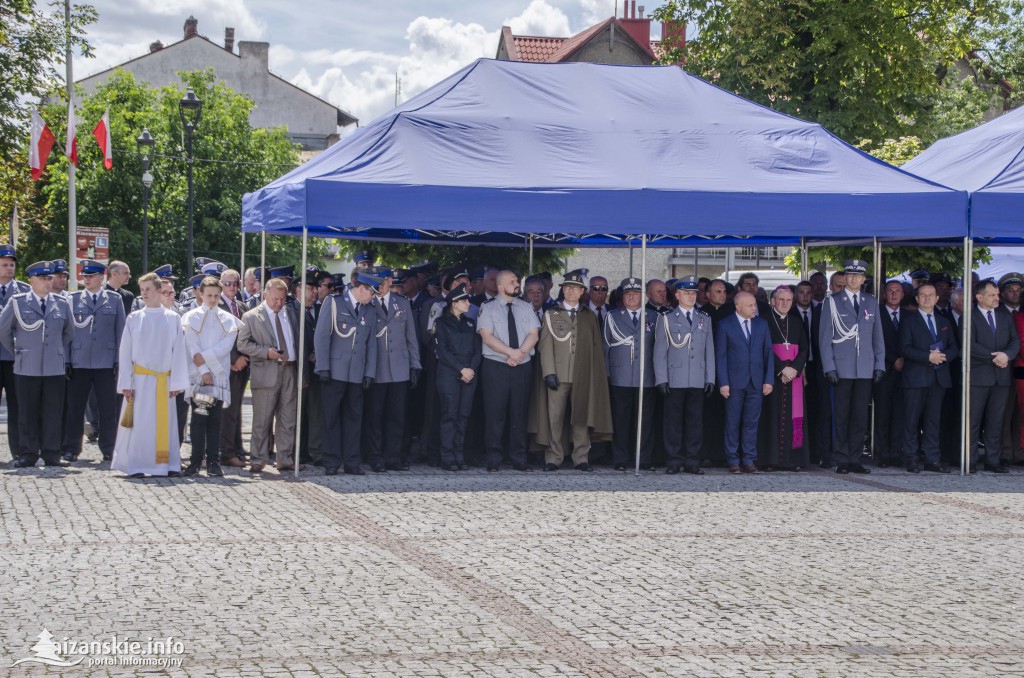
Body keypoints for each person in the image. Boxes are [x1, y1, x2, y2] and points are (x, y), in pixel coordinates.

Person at [532, 270, 612, 472]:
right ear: (563, 291)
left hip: (582, 373)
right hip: (558, 373)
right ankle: (554, 457)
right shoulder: (552, 314)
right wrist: (549, 372)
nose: (571, 291)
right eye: (567, 288)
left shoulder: (589, 316)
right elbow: (545, 345)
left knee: (581, 417)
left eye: (575, 288)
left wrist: (594, 375)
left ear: (582, 291)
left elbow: (595, 347)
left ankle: (581, 457)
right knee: (555, 417)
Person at [110, 272, 189, 477]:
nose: (144, 293)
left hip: (164, 380)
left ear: (158, 291)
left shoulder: (172, 318)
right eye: (142, 289)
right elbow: (125, 352)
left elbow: (179, 351)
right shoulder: (134, 318)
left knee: (165, 424)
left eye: (148, 289)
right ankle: (137, 465)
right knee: (140, 424)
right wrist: (126, 382)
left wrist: (177, 383)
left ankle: (167, 465)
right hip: (141, 380)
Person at [0, 261, 73, 468]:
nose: (47, 282)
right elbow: (3, 331)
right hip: (26, 366)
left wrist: (53, 351)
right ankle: (28, 453)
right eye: (42, 278)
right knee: (27, 412)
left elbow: (69, 333)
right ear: (30, 280)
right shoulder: (17, 302)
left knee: (52, 412)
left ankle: (52, 453)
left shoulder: (62, 303)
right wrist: (18, 351)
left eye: (49, 278)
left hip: (53, 367)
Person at [819, 259, 885, 475]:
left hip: (865, 368)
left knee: (860, 416)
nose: (854, 278)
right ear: (844, 278)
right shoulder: (832, 302)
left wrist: (879, 364)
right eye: (850, 275)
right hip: (842, 368)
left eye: (858, 275)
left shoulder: (871, 301)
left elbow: (878, 337)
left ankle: (855, 458)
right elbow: (825, 338)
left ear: (864, 279)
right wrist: (829, 367)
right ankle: (841, 458)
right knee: (841, 416)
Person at [61, 260, 126, 463]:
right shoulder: (72, 300)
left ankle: (108, 448)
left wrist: (119, 361)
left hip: (106, 362)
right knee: (75, 409)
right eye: (85, 276)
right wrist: (66, 360)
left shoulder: (114, 300)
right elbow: (66, 333)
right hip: (79, 362)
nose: (86, 279)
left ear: (101, 277)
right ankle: (71, 448)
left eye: (90, 276)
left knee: (108, 410)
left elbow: (120, 333)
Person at [477, 270, 540, 472]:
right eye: (512, 281)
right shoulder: (487, 308)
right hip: (496, 366)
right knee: (495, 414)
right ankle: (494, 457)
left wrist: (520, 353)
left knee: (519, 413)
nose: (517, 283)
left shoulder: (526, 306)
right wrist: (510, 352)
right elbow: (487, 337)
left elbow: (534, 334)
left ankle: (519, 457)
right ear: (500, 286)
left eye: (517, 280)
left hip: (522, 366)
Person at [315, 272, 377, 475]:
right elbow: (322, 336)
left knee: (354, 418)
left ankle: (352, 461)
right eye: (371, 293)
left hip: (357, 374)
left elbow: (371, 344)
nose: (373, 297)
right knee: (330, 418)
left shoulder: (369, 309)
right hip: (335, 371)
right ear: (361, 289)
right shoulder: (334, 303)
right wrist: (322, 366)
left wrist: (369, 372)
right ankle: (331, 461)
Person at [237, 277, 300, 474]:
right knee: (262, 420)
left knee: (288, 419)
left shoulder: (290, 313)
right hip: (266, 371)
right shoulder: (251, 316)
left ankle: (285, 458)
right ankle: (257, 458)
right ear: (265, 295)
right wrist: (265, 352)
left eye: (282, 299)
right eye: (275, 299)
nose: (279, 303)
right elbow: (242, 344)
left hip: (289, 369)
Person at [181, 276, 241, 477]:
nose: (213, 299)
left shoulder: (228, 319)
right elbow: (192, 344)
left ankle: (214, 461)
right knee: (198, 420)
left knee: (215, 420)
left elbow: (226, 346)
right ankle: (195, 461)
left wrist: (205, 362)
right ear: (200, 294)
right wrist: (203, 371)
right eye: (209, 295)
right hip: (199, 374)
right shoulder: (191, 317)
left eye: (216, 295)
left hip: (219, 373)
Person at [654, 276, 715, 475]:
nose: (690, 296)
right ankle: (673, 460)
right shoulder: (666, 318)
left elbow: (709, 351)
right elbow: (660, 351)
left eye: (693, 293)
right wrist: (661, 378)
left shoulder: (704, 319)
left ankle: (692, 460)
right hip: (675, 377)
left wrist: (710, 378)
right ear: (677, 295)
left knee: (695, 422)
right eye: (687, 293)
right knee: (673, 423)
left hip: (697, 378)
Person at [364, 270, 421, 472]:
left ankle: (393, 456)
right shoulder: (367, 303)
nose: (380, 285)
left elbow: (411, 337)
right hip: (376, 368)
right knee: (375, 416)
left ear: (390, 281)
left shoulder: (402, 303)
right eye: (376, 282)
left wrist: (415, 365)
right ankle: (375, 457)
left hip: (399, 368)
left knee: (397, 416)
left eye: (383, 281)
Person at [899, 283, 958, 474]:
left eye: (930, 295)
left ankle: (932, 459)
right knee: (911, 420)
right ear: (916, 299)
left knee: (934, 421)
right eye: (923, 295)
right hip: (916, 377)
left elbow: (954, 347)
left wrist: (943, 357)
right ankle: (911, 459)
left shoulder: (944, 321)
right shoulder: (908, 320)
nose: (927, 298)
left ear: (936, 298)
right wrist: (927, 357)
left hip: (938, 377)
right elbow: (904, 348)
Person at [715, 291, 774, 473]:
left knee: (751, 423)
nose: (754, 308)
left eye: (755, 304)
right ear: (738, 306)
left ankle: (749, 459)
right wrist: (723, 382)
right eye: (750, 305)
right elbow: (721, 357)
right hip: (734, 383)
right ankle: (733, 459)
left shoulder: (762, 325)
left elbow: (768, 354)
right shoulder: (725, 325)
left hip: (756, 382)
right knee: (732, 422)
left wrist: (768, 380)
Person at [604, 277, 656, 471]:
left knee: (645, 421)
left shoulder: (654, 317)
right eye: (628, 294)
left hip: (646, 376)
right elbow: (606, 346)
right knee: (621, 420)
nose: (632, 297)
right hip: (621, 375)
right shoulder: (613, 316)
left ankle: (643, 458)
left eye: (636, 293)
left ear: (644, 297)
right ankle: (620, 459)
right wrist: (607, 374)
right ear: (622, 297)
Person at [968, 279, 1020, 473]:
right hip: (979, 378)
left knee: (996, 421)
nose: (997, 298)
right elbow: (970, 344)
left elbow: (1015, 340)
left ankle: (992, 460)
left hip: (1002, 377)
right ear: (979, 297)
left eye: (997, 294)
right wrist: (995, 357)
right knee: (973, 421)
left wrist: (1007, 355)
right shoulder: (970, 316)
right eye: (992, 295)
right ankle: (970, 459)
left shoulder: (1005, 316)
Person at [758, 286, 808, 471]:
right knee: (771, 417)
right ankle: (770, 460)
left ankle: (791, 460)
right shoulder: (763, 321)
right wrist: (782, 369)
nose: (785, 303)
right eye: (781, 300)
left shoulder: (796, 322)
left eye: (788, 300)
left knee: (793, 417)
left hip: (793, 377)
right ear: (773, 301)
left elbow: (804, 348)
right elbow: (764, 348)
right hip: (772, 376)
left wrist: (794, 368)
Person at [433, 283, 482, 471]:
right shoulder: (441, 323)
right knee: (449, 415)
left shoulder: (469, 324)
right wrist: (462, 369)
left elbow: (477, 350)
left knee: (463, 415)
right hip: (449, 373)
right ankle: (447, 456)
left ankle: (458, 453)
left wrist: (470, 369)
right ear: (454, 303)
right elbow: (442, 351)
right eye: (464, 300)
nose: (468, 302)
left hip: (469, 373)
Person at [216, 269, 249, 467]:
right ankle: (226, 452)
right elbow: (219, 337)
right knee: (226, 411)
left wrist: (244, 358)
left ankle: (236, 447)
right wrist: (233, 359)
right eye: (227, 283)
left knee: (236, 409)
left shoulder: (242, 306)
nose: (231, 287)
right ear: (221, 284)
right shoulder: (217, 305)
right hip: (225, 365)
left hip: (243, 365)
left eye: (235, 283)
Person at [0, 243, 29, 463]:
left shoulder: (25, 292)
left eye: (11, 265)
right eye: (4, 265)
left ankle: (19, 451)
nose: (9, 268)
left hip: (14, 358)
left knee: (17, 407)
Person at [874, 279, 906, 467]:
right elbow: (875, 342)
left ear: (903, 295)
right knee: (883, 414)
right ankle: (882, 453)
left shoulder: (909, 316)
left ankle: (896, 452)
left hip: (904, 373)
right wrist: (894, 359)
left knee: (900, 414)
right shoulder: (876, 314)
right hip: (884, 371)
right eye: (890, 291)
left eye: (897, 291)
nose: (894, 294)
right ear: (884, 294)